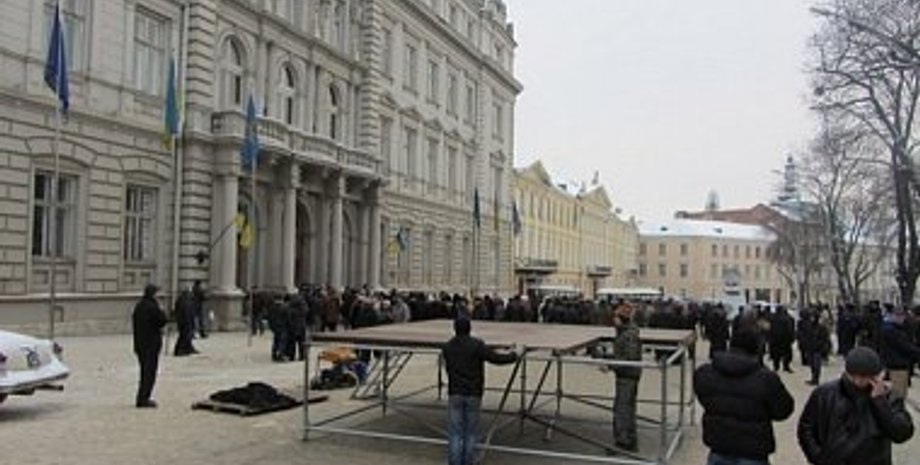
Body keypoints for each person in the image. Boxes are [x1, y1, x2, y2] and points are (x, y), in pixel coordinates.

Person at [797, 347, 914, 465]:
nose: (859, 381)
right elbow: (806, 428)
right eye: (854, 376)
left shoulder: (889, 397)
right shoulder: (825, 394)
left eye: (865, 376)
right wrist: (818, 457)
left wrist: (880, 402)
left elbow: (901, 433)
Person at [694, 328, 794, 465]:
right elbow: (783, 410)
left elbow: (703, 396)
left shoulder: (705, 373)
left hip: (719, 445)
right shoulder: (766, 379)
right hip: (754, 450)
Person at [442, 317, 519, 465]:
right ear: (469, 328)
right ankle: (468, 461)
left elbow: (447, 367)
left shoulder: (448, 347)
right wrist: (514, 355)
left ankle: (455, 462)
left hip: (455, 392)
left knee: (455, 432)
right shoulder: (476, 345)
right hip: (473, 392)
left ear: (454, 329)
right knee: (470, 432)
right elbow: (495, 358)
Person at [611, 303, 642, 452]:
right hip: (628, 375)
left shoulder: (628, 335)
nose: (613, 320)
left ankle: (624, 441)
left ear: (620, 318)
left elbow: (628, 358)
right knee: (627, 408)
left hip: (627, 376)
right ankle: (628, 439)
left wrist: (610, 365)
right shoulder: (625, 332)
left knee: (623, 409)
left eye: (615, 317)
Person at [132, 284, 167, 408]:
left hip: (140, 344)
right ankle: (143, 398)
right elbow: (162, 320)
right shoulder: (153, 307)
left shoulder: (139, 306)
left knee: (144, 372)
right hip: (151, 345)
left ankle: (141, 397)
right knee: (149, 373)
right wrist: (161, 309)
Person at [880, 307, 920, 399]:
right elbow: (905, 347)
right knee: (898, 395)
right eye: (898, 315)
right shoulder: (892, 331)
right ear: (892, 316)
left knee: (897, 394)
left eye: (902, 316)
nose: (901, 318)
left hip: (895, 365)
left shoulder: (893, 329)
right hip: (897, 366)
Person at [799, 310, 830, 386]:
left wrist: (820, 346)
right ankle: (813, 378)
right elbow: (805, 336)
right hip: (810, 348)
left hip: (817, 349)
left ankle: (816, 379)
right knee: (812, 364)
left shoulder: (821, 328)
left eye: (813, 317)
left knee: (816, 365)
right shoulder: (809, 326)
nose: (812, 318)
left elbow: (825, 339)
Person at [768, 306, 795, 373]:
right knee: (787, 354)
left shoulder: (772, 318)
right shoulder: (787, 318)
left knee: (776, 354)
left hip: (775, 339)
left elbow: (769, 329)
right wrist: (791, 338)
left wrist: (769, 338)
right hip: (785, 339)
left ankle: (776, 367)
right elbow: (789, 329)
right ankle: (786, 366)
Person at [172, 288, 198, 357]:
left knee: (187, 335)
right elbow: (183, 312)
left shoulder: (188, 301)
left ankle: (188, 348)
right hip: (184, 321)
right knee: (184, 336)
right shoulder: (183, 302)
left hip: (187, 321)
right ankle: (180, 350)